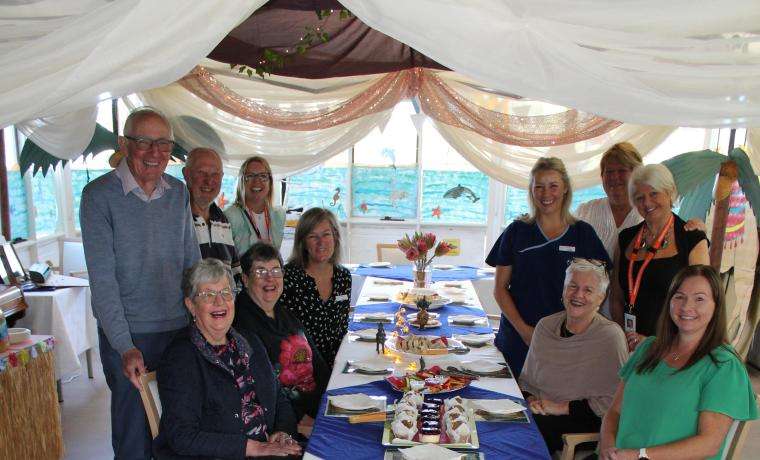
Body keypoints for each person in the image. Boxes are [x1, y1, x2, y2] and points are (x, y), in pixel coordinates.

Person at [80, 107, 200, 459]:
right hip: (131, 337)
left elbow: (190, 263)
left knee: (179, 430)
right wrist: (124, 345)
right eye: (144, 142)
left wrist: (200, 319)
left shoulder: (178, 193)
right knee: (134, 438)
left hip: (178, 328)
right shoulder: (98, 196)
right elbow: (102, 282)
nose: (154, 153)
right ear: (124, 144)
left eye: (163, 144)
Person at [600, 265, 757, 460]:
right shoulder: (648, 348)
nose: (686, 307)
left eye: (699, 299)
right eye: (679, 296)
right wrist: (607, 448)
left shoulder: (724, 365)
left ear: (716, 306)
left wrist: (639, 455)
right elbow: (614, 412)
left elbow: (709, 444)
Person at [155, 259, 301, 459]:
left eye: (225, 293)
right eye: (208, 295)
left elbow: (279, 398)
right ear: (191, 305)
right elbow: (182, 436)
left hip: (267, 450)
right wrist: (253, 448)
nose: (219, 302)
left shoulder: (249, 342)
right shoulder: (180, 358)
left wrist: (282, 432)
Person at [486, 157, 609, 377]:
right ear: (532, 191)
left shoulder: (583, 234)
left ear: (565, 190)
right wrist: (525, 331)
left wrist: (578, 332)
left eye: (553, 186)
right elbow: (500, 289)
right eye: (539, 187)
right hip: (518, 336)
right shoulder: (517, 232)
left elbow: (598, 290)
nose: (546, 194)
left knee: (554, 405)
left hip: (566, 340)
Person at [519, 258, 628, 454]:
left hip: (583, 420)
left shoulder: (610, 336)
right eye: (573, 286)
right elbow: (527, 382)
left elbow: (614, 402)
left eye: (588, 290)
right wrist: (531, 399)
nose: (578, 295)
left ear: (601, 298)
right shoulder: (545, 326)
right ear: (563, 290)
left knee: (522, 435)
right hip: (540, 413)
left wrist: (559, 407)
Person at [233, 242, 329, 438]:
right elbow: (262, 389)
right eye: (260, 271)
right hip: (287, 426)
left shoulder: (282, 313)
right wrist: (301, 420)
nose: (270, 278)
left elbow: (317, 363)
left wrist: (333, 397)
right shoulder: (241, 325)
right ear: (245, 279)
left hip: (318, 410)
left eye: (275, 270)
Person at [611, 164, 709, 352]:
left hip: (673, 348)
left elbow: (702, 304)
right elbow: (616, 297)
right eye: (639, 198)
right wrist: (623, 335)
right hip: (629, 346)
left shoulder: (692, 238)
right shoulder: (626, 238)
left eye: (654, 194)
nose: (647, 203)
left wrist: (657, 345)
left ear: (670, 192)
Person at [280, 208, 351, 368]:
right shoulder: (288, 278)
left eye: (326, 234)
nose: (321, 243)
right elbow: (282, 332)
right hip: (301, 369)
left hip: (336, 365)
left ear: (335, 236)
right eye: (313, 236)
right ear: (303, 242)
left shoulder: (343, 277)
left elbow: (342, 328)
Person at [575, 142, 643, 260]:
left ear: (636, 175)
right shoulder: (585, 211)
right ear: (602, 176)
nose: (614, 177)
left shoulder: (646, 214)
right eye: (609, 172)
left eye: (621, 171)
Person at [183, 147, 240, 280]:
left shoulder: (222, 220)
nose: (209, 180)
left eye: (215, 174)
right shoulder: (174, 218)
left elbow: (234, 271)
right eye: (201, 173)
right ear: (186, 174)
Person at [225, 156, 286, 255]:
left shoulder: (279, 215)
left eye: (263, 176)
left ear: (270, 181)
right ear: (242, 181)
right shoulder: (230, 216)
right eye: (250, 176)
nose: (257, 181)